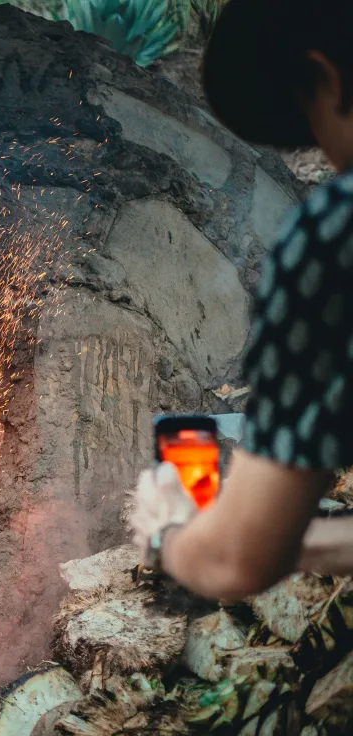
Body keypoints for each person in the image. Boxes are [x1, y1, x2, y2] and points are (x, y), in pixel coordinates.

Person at [131, 0, 353, 600]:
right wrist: (286, 539)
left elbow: (232, 567)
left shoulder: (334, 237)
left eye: (309, 118)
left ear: (325, 79)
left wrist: (170, 533)